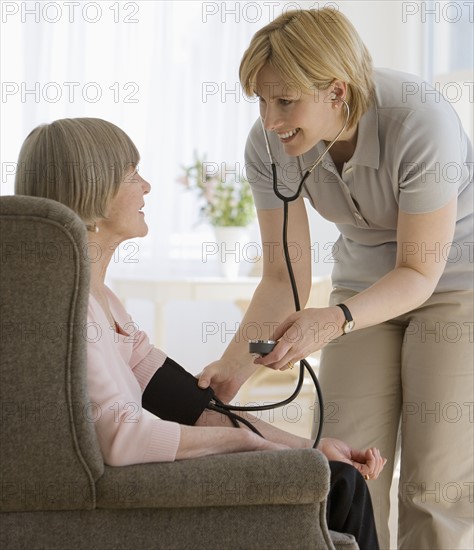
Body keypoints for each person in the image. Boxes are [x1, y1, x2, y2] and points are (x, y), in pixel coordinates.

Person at [15, 117, 385, 549]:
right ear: (92, 193)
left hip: (133, 486)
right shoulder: (71, 311)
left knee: (334, 477)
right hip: (127, 499)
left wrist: (311, 447)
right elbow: (122, 437)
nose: (147, 187)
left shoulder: (104, 303)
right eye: (132, 174)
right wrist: (245, 443)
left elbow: (193, 406)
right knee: (340, 485)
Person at [197, 8, 474, 550]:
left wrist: (335, 320)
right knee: (344, 468)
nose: (270, 120)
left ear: (336, 91)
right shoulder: (270, 144)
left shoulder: (420, 119)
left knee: (435, 483)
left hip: (456, 284)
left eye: (285, 101)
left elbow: (419, 270)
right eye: (260, 99)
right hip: (362, 287)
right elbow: (283, 276)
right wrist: (233, 371)